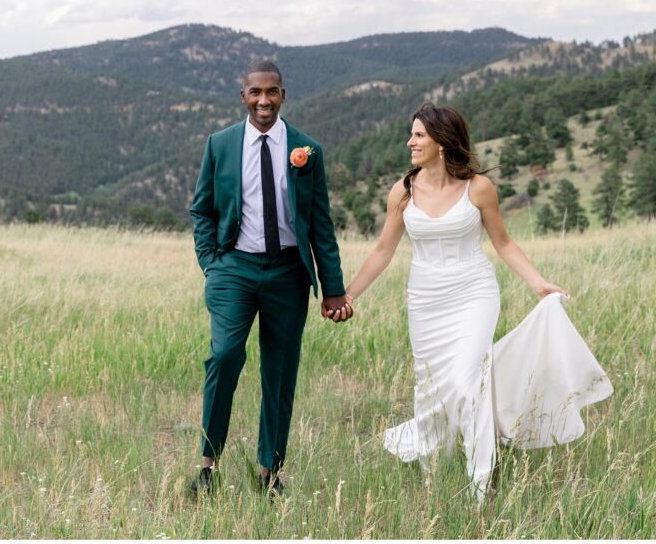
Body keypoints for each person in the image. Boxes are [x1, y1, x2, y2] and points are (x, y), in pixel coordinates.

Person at [338, 103, 612, 502]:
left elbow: (502, 241)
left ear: (442, 142)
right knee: (432, 388)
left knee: (469, 383)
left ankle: (481, 483)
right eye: (412, 134)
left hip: (473, 294)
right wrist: (348, 295)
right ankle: (436, 468)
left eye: (418, 135)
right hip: (425, 300)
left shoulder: (478, 188)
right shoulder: (403, 190)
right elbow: (383, 250)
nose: (409, 142)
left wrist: (538, 284)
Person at [188, 59, 353, 498]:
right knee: (223, 356)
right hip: (234, 268)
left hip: (287, 273)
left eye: (273, 91)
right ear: (243, 96)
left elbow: (321, 225)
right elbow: (202, 209)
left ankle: (269, 472)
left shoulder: (306, 150)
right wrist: (210, 262)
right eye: (256, 92)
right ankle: (208, 465)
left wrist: (333, 288)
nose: (264, 100)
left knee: (279, 373)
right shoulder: (220, 144)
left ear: (283, 95)